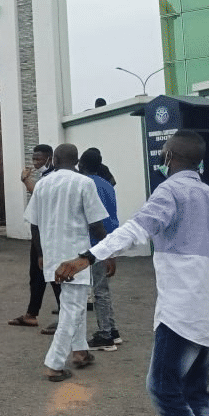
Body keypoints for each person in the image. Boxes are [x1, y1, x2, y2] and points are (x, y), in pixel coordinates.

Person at [56, 131, 209, 416]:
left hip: (184, 309)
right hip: (208, 308)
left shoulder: (171, 191)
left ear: (170, 154)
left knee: (162, 388)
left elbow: (134, 229)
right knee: (195, 392)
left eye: (164, 153)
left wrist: (86, 257)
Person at [24, 143, 111, 382]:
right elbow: (96, 224)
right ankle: (54, 364)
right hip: (76, 258)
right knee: (72, 309)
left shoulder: (42, 185)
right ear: (76, 161)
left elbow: (34, 224)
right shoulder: (84, 183)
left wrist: (40, 254)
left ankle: (80, 352)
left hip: (52, 256)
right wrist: (108, 252)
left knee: (75, 305)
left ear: (54, 159)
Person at [75, 147, 122, 351]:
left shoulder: (86, 184)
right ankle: (112, 331)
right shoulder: (107, 184)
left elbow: (95, 220)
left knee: (100, 290)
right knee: (103, 288)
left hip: (97, 242)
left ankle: (105, 336)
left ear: (82, 165)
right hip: (110, 237)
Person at [8, 143, 58, 328]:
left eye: (39, 159)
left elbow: (40, 195)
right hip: (39, 234)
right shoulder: (45, 177)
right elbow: (38, 194)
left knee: (53, 275)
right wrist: (25, 181)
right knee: (36, 275)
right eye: (34, 159)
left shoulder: (53, 177)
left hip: (49, 234)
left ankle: (64, 318)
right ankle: (31, 314)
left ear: (50, 158)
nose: (35, 162)